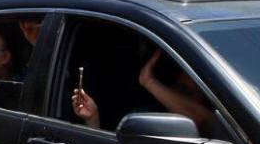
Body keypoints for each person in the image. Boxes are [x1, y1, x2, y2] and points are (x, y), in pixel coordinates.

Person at [72, 49, 214, 134]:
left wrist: (149, 82)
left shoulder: (224, 128)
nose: (182, 99)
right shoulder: (144, 122)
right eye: (182, 90)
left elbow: (204, 121)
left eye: (192, 93)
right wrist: (92, 118)